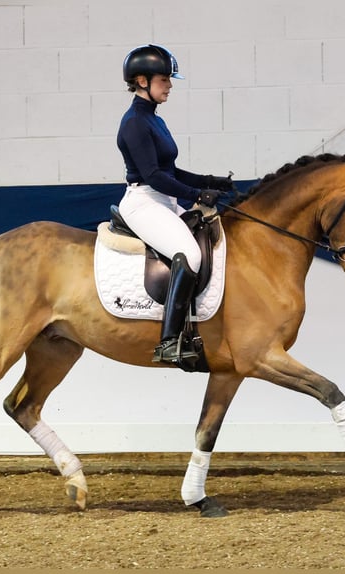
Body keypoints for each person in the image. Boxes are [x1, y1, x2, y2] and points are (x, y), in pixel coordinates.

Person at [116, 44, 232, 365]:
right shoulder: (134, 123)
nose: (169, 86)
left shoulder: (155, 120)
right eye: (164, 79)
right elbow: (153, 175)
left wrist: (209, 181)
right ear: (142, 81)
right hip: (144, 202)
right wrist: (196, 196)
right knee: (191, 254)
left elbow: (171, 171)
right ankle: (168, 341)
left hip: (163, 200)